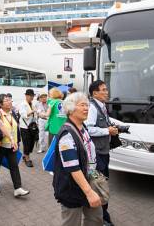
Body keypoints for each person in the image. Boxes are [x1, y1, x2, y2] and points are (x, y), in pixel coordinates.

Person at [53, 92, 103, 226]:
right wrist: (89, 192)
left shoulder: (83, 127)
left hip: (89, 181)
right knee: (71, 222)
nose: (86, 108)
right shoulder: (67, 135)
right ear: (71, 109)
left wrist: (95, 178)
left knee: (96, 218)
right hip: (72, 189)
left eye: (87, 105)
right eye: (82, 105)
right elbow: (73, 168)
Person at [86, 80, 121, 226]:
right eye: (103, 90)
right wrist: (108, 130)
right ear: (95, 93)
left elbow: (103, 121)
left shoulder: (102, 106)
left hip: (103, 152)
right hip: (97, 154)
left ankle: (102, 214)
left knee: (103, 182)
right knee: (99, 184)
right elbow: (89, 128)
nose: (107, 92)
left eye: (106, 89)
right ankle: (102, 217)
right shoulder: (93, 107)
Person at [0, 93, 30, 197]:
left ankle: (18, 188)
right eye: (6, 100)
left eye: (9, 99)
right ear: (1, 104)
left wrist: (17, 141)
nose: (9, 101)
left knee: (14, 166)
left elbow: (16, 129)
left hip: (13, 145)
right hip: (0, 145)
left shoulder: (14, 113)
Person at [18, 89, 39, 167]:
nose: (31, 97)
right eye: (30, 96)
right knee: (26, 143)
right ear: (26, 96)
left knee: (31, 143)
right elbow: (23, 115)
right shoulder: (22, 104)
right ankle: (27, 159)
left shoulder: (32, 104)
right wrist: (33, 111)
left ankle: (25, 155)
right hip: (24, 127)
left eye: (32, 96)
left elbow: (35, 115)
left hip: (32, 127)